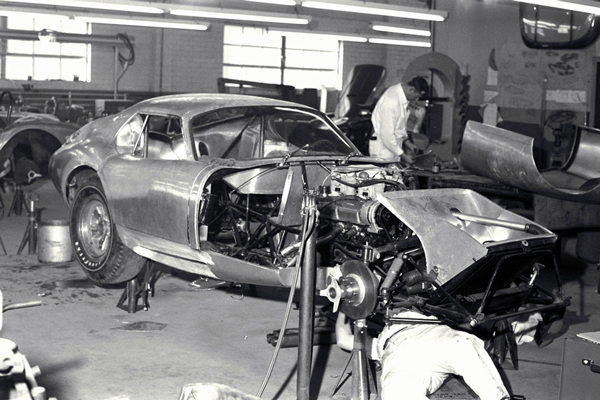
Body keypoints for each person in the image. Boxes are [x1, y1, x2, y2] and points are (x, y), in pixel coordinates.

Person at [336, 310, 511, 400]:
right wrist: (344, 304)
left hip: (430, 332)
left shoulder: (423, 311)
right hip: (405, 364)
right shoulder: (377, 345)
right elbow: (343, 339)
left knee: (461, 346)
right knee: (395, 388)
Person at [369, 77, 430, 164]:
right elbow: (387, 135)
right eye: (416, 97)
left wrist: (408, 143)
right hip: (382, 150)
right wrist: (403, 155)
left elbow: (400, 127)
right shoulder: (391, 101)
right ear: (412, 90)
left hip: (392, 148)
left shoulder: (401, 97)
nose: (415, 100)